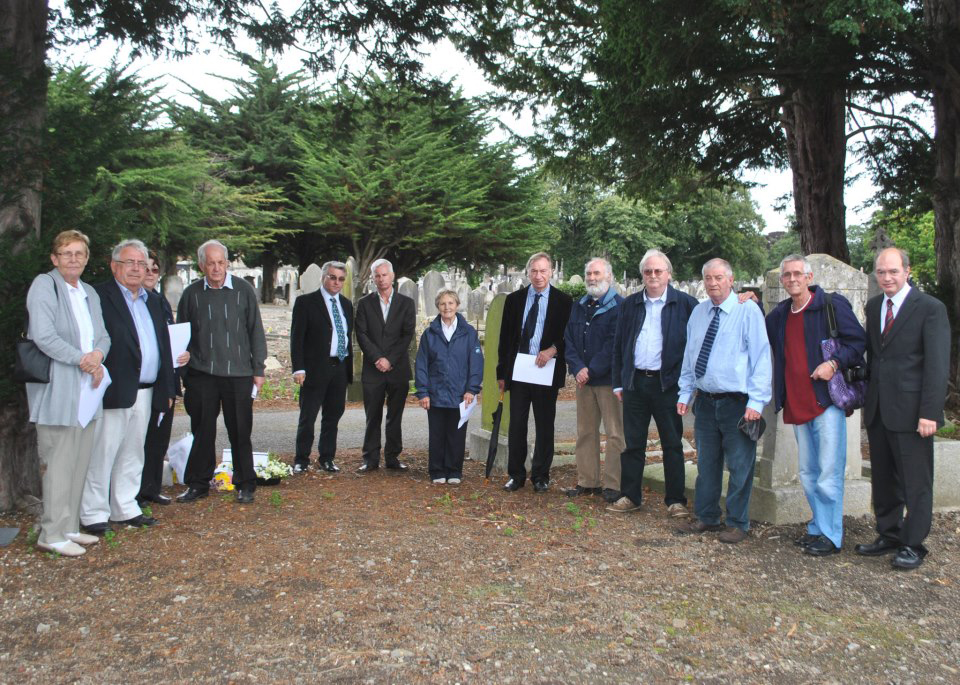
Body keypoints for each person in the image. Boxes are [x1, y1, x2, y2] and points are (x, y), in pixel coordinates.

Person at [765, 254, 866, 557]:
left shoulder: (830, 306)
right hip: (797, 403)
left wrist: (833, 363)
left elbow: (858, 342)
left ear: (809, 277)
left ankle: (832, 536)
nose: (792, 279)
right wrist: (749, 299)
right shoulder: (780, 315)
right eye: (787, 275)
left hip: (826, 402)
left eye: (798, 273)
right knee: (808, 473)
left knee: (828, 473)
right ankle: (818, 527)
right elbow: (761, 331)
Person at [855, 247, 950, 570]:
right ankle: (889, 533)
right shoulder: (874, 306)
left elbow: (937, 365)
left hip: (913, 412)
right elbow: (875, 357)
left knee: (915, 481)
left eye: (893, 271)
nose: (887, 278)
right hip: (880, 408)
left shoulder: (930, 308)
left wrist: (930, 413)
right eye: (881, 272)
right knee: (884, 478)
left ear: (907, 271)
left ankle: (913, 543)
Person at [80, 239, 178, 532]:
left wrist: (168, 387)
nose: (136, 269)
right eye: (129, 262)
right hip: (113, 388)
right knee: (103, 452)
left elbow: (163, 347)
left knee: (134, 452)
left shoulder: (153, 301)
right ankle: (94, 513)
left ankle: (125, 506)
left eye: (141, 264)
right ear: (114, 266)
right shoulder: (99, 296)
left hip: (147, 390)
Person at [25, 230, 110, 557]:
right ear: (54, 258)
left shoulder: (89, 292)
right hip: (59, 391)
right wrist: (82, 360)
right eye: (67, 253)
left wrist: (97, 355)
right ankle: (51, 532)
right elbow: (43, 335)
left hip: (88, 391)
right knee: (58, 464)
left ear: (86, 258)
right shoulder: (44, 286)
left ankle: (70, 526)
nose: (73, 259)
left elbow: (103, 336)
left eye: (79, 253)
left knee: (78, 462)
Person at [677, 258, 771, 543]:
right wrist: (685, 392)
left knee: (740, 466)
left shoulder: (747, 311)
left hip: (738, 403)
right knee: (706, 464)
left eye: (719, 278)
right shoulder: (699, 313)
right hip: (705, 402)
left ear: (731, 280)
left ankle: (737, 522)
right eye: (708, 278)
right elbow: (690, 356)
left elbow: (761, 357)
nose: (713, 283)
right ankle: (707, 516)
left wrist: (757, 402)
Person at [175, 240, 267, 504]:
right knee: (202, 431)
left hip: (239, 373)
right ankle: (198, 483)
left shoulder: (243, 290)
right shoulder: (191, 294)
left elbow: (255, 330)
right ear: (201, 265)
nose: (216, 268)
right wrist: (185, 371)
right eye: (210, 263)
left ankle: (245, 482)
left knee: (240, 430)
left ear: (227, 263)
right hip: (202, 373)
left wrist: (258, 369)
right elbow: (182, 333)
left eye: (220, 262)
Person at [608, 249, 698, 518]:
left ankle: (675, 500)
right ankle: (630, 496)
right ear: (642, 275)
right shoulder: (630, 304)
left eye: (658, 271)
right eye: (648, 271)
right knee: (633, 443)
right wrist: (618, 382)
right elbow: (619, 345)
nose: (653, 275)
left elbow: (695, 345)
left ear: (668, 274)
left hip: (667, 384)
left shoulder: (686, 304)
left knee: (672, 443)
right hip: (635, 383)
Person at [498, 252, 573, 493]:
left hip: (546, 371)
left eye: (543, 271)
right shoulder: (515, 300)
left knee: (544, 426)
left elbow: (570, 336)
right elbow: (505, 338)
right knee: (517, 425)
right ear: (528, 273)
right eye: (534, 271)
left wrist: (553, 349)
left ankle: (541, 476)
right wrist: (502, 373)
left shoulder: (564, 302)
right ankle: (516, 475)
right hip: (520, 370)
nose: (538, 275)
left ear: (551, 272)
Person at [563, 258, 624, 503]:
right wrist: (578, 368)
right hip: (584, 381)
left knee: (615, 433)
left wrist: (591, 369)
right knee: (586, 432)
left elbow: (614, 343)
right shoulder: (578, 305)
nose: (591, 278)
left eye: (597, 273)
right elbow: (569, 338)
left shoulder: (619, 306)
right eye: (589, 274)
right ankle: (587, 481)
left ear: (608, 276)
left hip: (609, 380)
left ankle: (613, 484)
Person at [290, 261, 353, 474]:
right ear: (323, 277)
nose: (336, 282)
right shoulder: (306, 302)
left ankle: (327, 458)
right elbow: (297, 338)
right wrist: (298, 368)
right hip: (315, 368)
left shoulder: (346, 304)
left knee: (332, 417)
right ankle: (301, 459)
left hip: (339, 366)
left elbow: (347, 335)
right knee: (308, 416)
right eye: (332, 277)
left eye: (341, 279)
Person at [415, 289, 484, 484]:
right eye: (443, 304)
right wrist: (423, 392)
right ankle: (437, 471)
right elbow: (421, 365)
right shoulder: (429, 334)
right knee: (437, 434)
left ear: (457, 305)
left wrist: (471, 389)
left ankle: (454, 470)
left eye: (451, 303)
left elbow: (476, 363)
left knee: (456, 435)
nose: (447, 307)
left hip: (461, 393)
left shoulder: (468, 333)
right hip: (435, 393)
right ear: (438, 306)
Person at [354, 259, 416, 473]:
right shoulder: (364, 303)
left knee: (395, 416)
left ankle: (393, 457)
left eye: (384, 275)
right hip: (373, 369)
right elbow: (361, 333)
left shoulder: (406, 303)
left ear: (392, 276)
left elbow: (407, 334)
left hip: (397, 368)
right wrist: (377, 358)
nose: (381, 279)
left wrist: (390, 359)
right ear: (373, 278)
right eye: (377, 276)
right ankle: (370, 458)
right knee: (372, 416)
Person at [138, 251, 189, 507]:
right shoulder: (136, 302)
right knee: (139, 440)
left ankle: (151, 487)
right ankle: (134, 492)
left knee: (158, 439)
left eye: (154, 269)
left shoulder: (160, 302)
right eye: (145, 268)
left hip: (165, 380)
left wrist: (184, 354)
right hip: (142, 382)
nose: (149, 273)